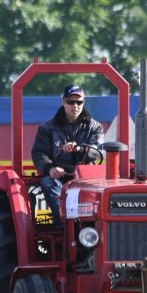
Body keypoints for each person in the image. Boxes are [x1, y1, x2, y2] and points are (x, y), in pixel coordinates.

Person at [31, 83, 104, 226]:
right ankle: (65, 226)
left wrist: (78, 149)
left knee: (104, 189)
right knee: (47, 183)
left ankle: (94, 226)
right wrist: (50, 168)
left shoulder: (95, 127)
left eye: (79, 102)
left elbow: (97, 152)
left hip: (87, 178)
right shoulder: (47, 128)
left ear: (84, 102)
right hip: (60, 178)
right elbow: (39, 153)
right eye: (70, 102)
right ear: (63, 102)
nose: (75, 106)